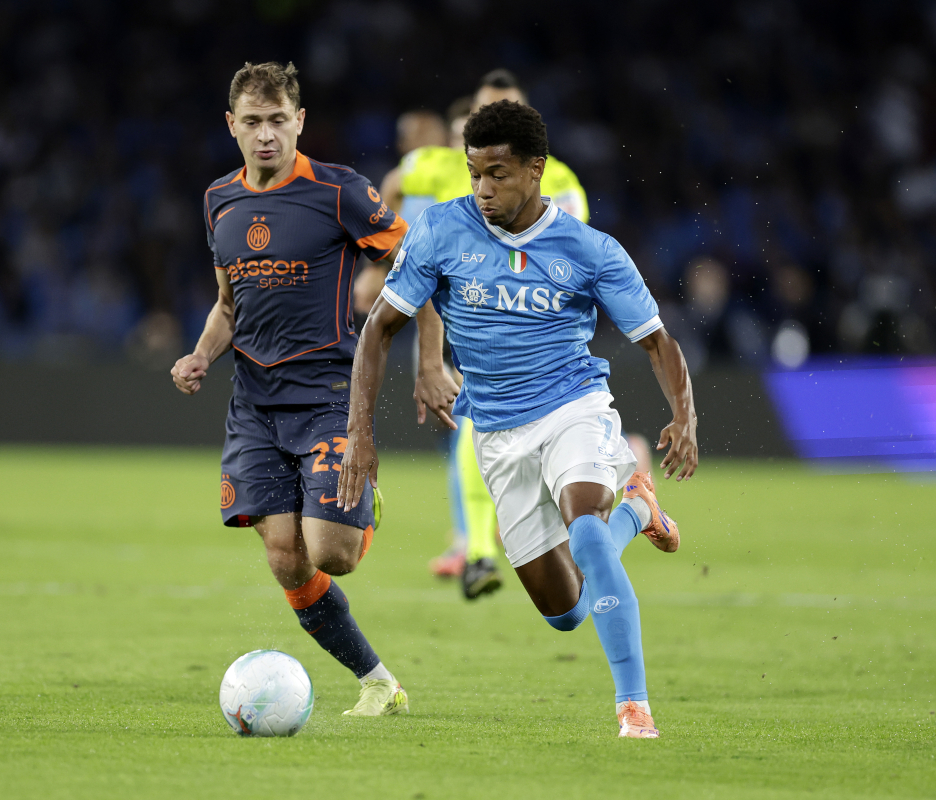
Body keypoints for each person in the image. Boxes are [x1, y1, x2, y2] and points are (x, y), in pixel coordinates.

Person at [337, 100, 699, 738]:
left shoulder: (589, 249)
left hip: (572, 408)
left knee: (585, 529)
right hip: (497, 432)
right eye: (475, 173)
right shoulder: (441, 230)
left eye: (497, 174)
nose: (482, 189)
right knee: (565, 612)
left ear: (536, 170)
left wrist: (684, 417)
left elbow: (656, 340)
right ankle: (639, 508)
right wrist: (360, 434)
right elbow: (378, 329)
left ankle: (633, 706)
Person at [171, 62, 422, 717]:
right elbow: (228, 304)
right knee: (287, 560)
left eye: (278, 121)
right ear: (231, 126)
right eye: (252, 122)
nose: (265, 135)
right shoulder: (218, 201)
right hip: (253, 407)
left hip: (328, 401)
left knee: (332, 557)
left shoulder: (338, 192)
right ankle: (377, 682)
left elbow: (414, 261)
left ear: (299, 122)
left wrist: (431, 360)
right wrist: (199, 355)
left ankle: (362, 505)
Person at [356, 70, 592, 599]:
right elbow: (390, 186)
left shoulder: (558, 181)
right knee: (475, 421)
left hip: (541, 339)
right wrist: (380, 261)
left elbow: (579, 257)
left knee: (540, 446)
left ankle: (610, 505)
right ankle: (480, 549)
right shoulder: (441, 165)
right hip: (470, 334)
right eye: (484, 111)